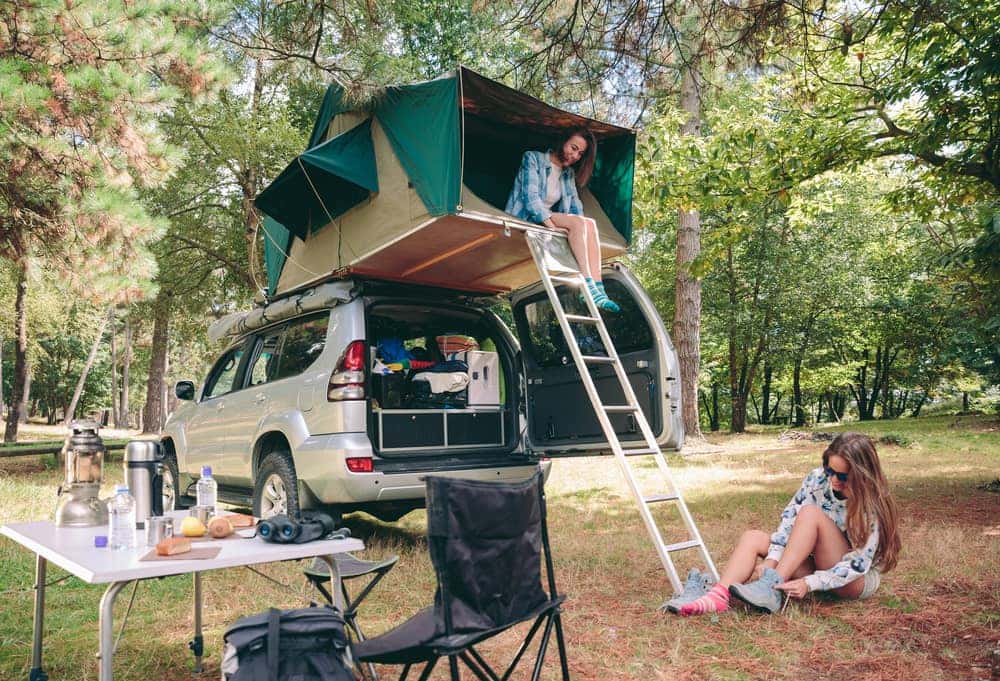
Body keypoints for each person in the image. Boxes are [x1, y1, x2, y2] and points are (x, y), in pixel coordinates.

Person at [667, 432, 901, 615]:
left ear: (861, 474)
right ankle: (717, 595)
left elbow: (856, 566)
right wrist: (771, 560)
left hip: (851, 581)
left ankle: (770, 587)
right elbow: (789, 523)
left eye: (842, 476)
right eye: (829, 470)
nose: (833, 480)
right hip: (817, 563)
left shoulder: (872, 503)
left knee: (810, 514)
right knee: (753, 537)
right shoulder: (817, 479)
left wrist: (809, 583)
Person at [505, 128, 620, 312]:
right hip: (524, 216)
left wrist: (579, 231)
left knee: (589, 223)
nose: (575, 156)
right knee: (578, 223)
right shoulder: (533, 158)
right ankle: (588, 284)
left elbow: (576, 207)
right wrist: (553, 227)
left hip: (545, 217)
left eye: (580, 153)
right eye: (573, 148)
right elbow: (531, 199)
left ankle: (598, 288)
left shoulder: (568, 174)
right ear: (562, 141)